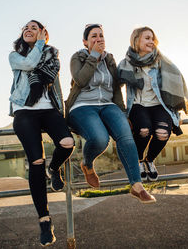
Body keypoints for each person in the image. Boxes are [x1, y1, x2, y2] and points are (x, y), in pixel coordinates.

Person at [65, 24, 156, 203]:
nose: (99, 39)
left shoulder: (110, 59)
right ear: (85, 41)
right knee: (100, 139)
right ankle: (87, 164)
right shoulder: (78, 57)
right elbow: (81, 80)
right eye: (93, 36)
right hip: (82, 105)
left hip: (108, 104)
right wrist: (94, 56)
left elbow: (115, 88)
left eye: (101, 36)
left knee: (125, 134)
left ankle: (137, 186)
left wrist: (123, 113)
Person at [8, 20, 74, 246]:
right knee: (36, 160)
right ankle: (45, 220)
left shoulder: (52, 57)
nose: (28, 30)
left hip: (48, 109)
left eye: (34, 28)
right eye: (25, 28)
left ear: (44, 34)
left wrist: (43, 46)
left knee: (67, 143)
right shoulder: (15, 56)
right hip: (24, 111)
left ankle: (54, 168)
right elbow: (28, 65)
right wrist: (39, 44)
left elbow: (54, 81)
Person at [118, 26, 188, 182]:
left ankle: (149, 160)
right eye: (147, 38)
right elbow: (115, 88)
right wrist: (121, 112)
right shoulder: (125, 63)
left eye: (152, 38)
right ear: (136, 40)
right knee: (144, 130)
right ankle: (139, 160)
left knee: (162, 133)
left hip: (159, 105)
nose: (151, 41)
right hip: (138, 105)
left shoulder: (161, 61)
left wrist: (175, 112)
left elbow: (173, 87)